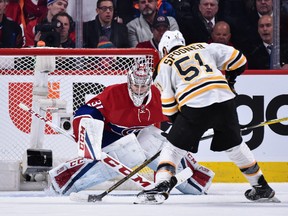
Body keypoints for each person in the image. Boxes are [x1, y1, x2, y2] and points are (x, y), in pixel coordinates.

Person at [137, 30, 276, 204]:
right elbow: (239, 60)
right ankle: (261, 186)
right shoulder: (204, 47)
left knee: (172, 149)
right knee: (235, 146)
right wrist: (230, 81)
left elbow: (169, 106)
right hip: (225, 100)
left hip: (195, 105)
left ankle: (162, 184)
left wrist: (182, 130)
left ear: (164, 50)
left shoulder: (164, 63)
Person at [48, 61, 215, 196]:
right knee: (130, 152)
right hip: (109, 138)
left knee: (154, 140)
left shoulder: (160, 97)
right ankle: (65, 181)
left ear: (150, 84)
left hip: (137, 137)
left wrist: (193, 129)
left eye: (144, 86)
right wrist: (86, 134)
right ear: (129, 82)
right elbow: (86, 112)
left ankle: (195, 181)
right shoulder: (114, 94)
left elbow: (183, 116)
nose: (140, 90)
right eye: (136, 86)